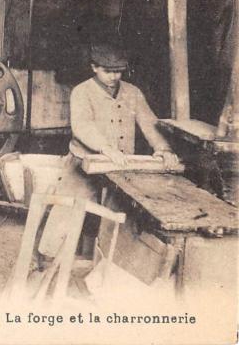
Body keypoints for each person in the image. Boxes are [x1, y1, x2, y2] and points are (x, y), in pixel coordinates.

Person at [40, 41, 180, 257]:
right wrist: (105, 147)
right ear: (94, 67)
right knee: (67, 210)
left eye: (118, 71)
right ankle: (46, 259)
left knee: (115, 218)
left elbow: (149, 123)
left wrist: (164, 148)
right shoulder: (82, 92)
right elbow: (82, 126)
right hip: (84, 162)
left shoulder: (132, 92)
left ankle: (100, 262)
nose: (114, 77)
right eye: (108, 71)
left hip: (118, 167)